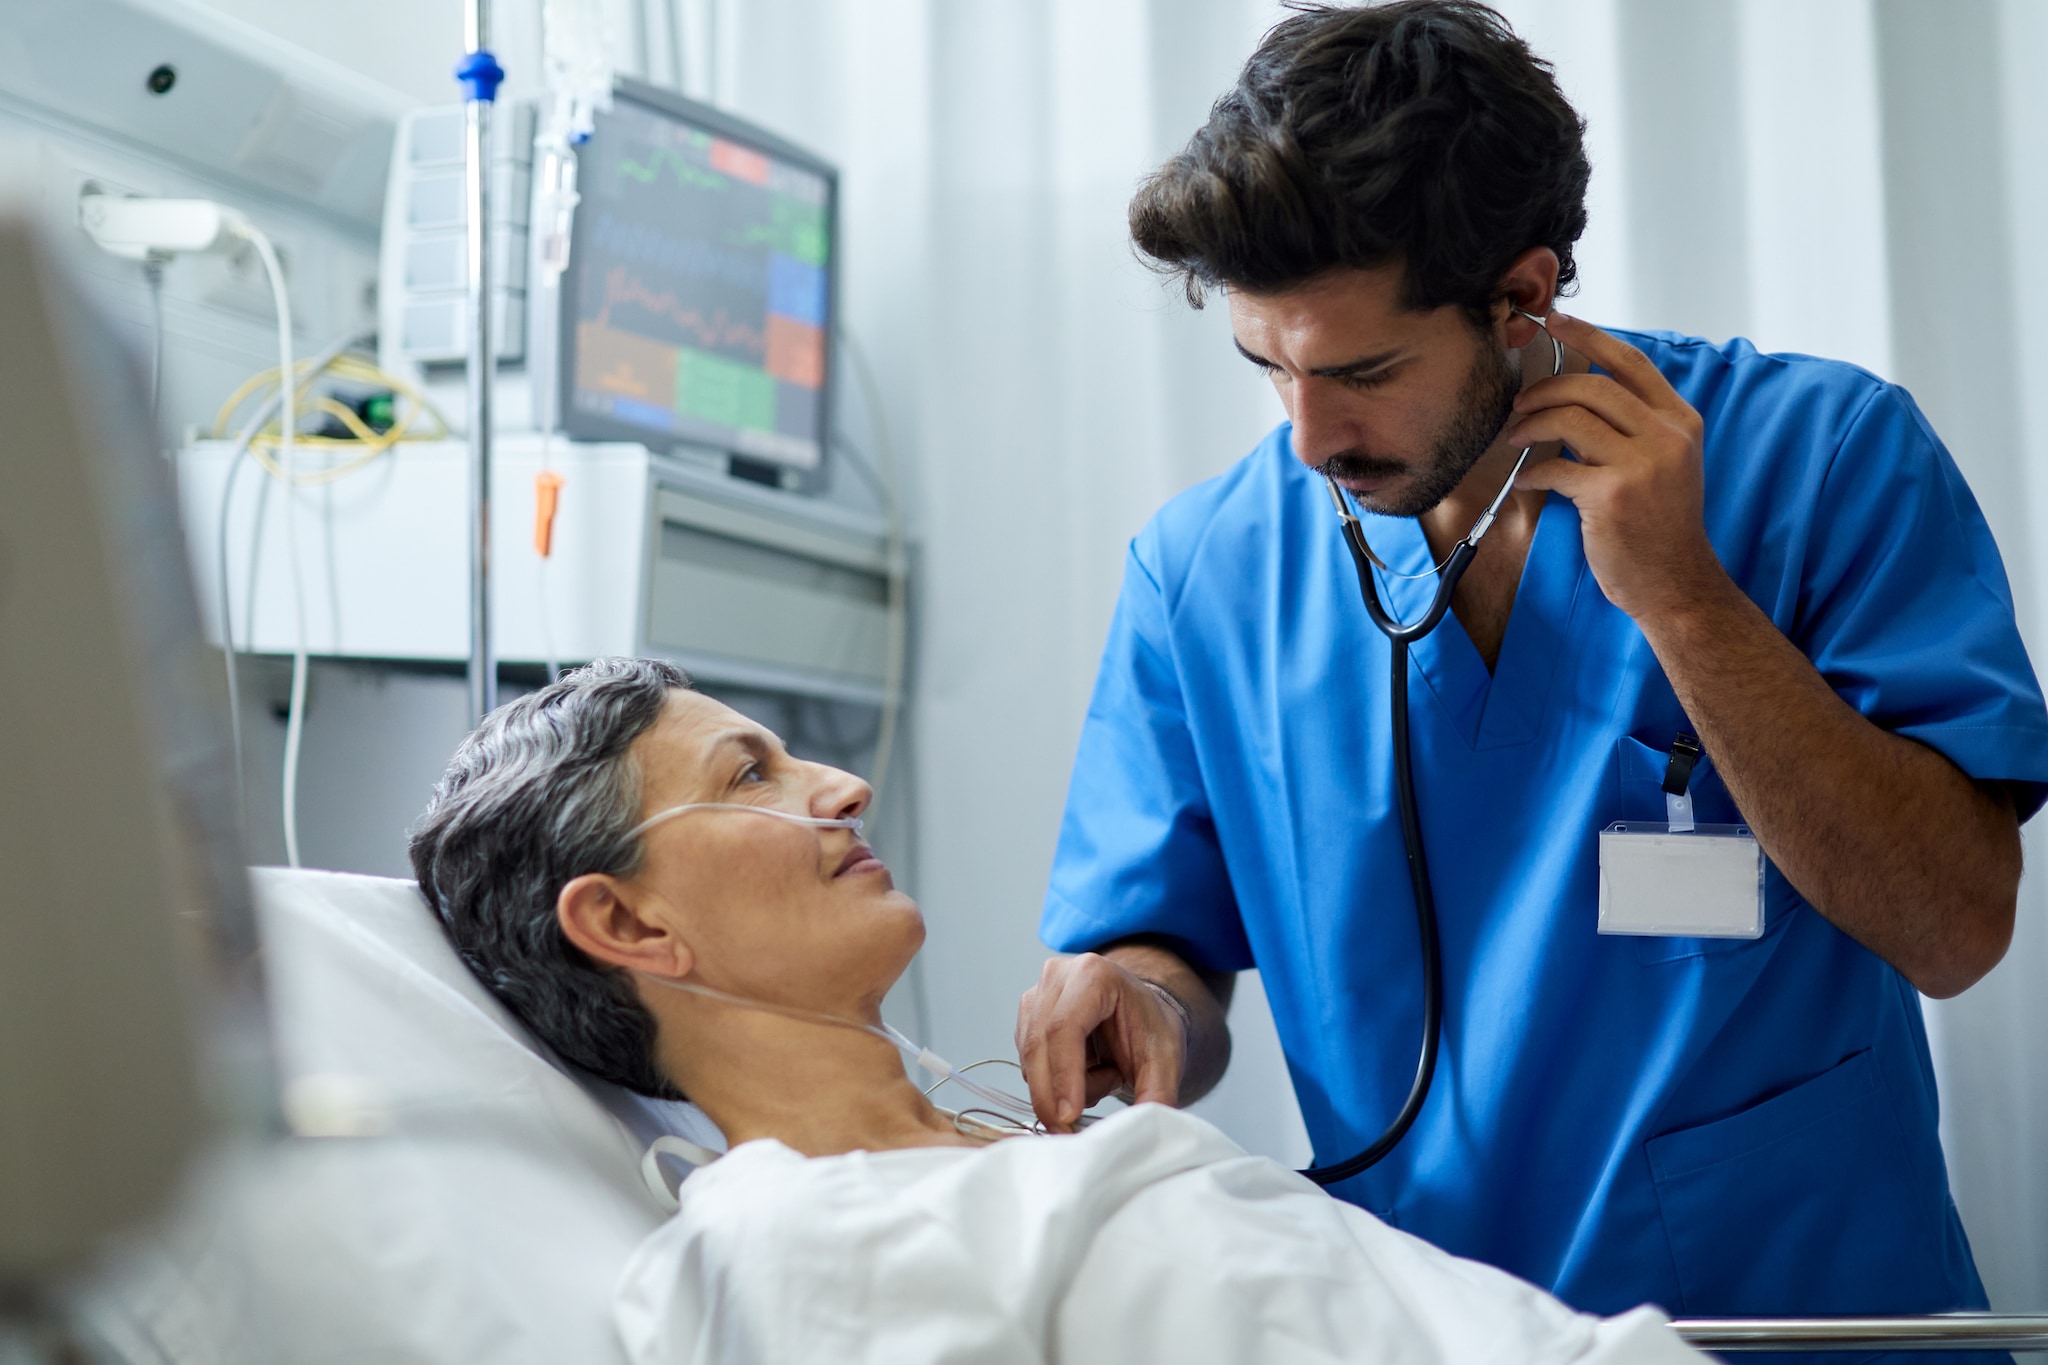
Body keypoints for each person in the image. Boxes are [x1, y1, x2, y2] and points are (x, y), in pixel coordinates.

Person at [1016, 0, 2048, 1341]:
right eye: (1267, 367)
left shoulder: (1823, 457)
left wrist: (1684, 600)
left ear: (1522, 293)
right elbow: (1169, 951)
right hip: (1436, 1328)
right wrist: (1137, 1001)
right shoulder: (1203, 570)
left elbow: (1954, 925)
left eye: (1363, 371)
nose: (1310, 434)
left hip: (1793, 1324)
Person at [408, 658, 1702, 1365]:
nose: (843, 784)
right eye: (751, 772)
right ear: (628, 925)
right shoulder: (800, 1240)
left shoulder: (1000, 1156)